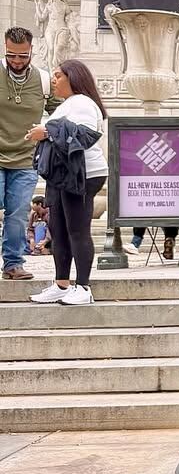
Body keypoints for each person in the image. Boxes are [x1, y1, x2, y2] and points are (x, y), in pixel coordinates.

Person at [27, 60, 107, 307]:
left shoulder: (82, 102)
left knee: (76, 230)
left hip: (82, 175)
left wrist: (47, 131)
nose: (54, 80)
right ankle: (61, 284)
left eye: (59, 75)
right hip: (63, 175)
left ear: (74, 77)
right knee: (59, 229)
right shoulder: (69, 104)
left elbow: (83, 137)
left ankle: (83, 287)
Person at [0, 26, 51, 281]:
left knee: (18, 213)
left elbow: (63, 111)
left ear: (31, 51)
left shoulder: (43, 80)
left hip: (25, 160)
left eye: (22, 56)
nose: (17, 61)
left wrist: (47, 130)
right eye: (11, 55)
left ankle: (12, 264)